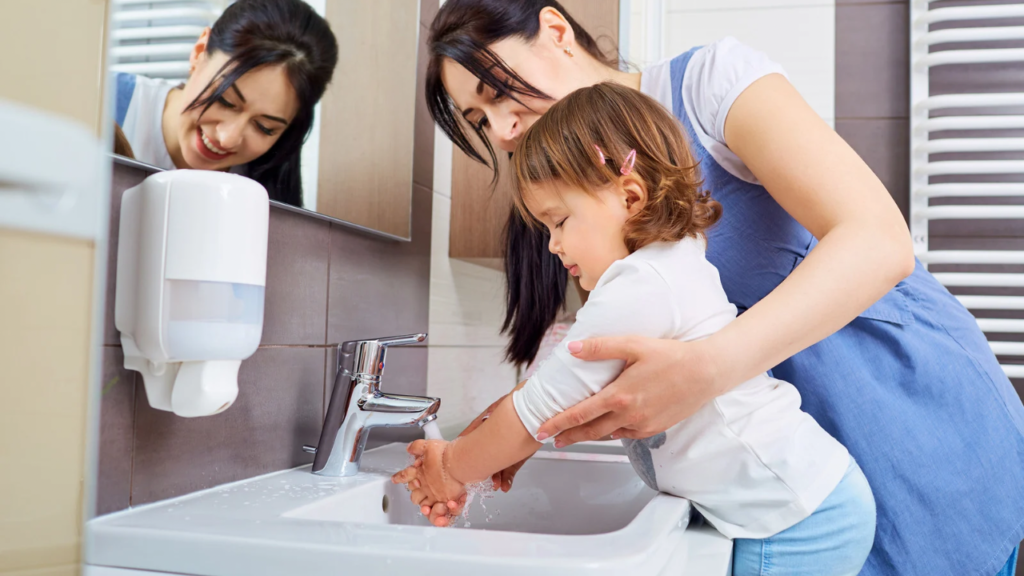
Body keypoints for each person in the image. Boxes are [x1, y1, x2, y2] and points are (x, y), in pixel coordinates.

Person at [422, 1, 1024, 574]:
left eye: (498, 92)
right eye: (479, 121)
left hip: (907, 413)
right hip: (791, 479)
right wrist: (515, 434)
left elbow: (879, 242)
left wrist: (705, 369)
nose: (501, 130)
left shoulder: (706, 84)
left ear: (555, 30)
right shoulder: (585, 197)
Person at [394, 82, 877, 575]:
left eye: (559, 222)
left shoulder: (642, 281)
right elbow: (559, 406)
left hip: (796, 517)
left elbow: (536, 409)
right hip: (800, 498)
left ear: (629, 196)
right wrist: (499, 449)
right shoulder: (668, 264)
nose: (553, 246)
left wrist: (452, 467)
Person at [112, 0, 338, 206]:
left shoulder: (265, 192)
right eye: (224, 100)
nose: (227, 138)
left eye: (264, 127)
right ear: (199, 52)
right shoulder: (103, 102)